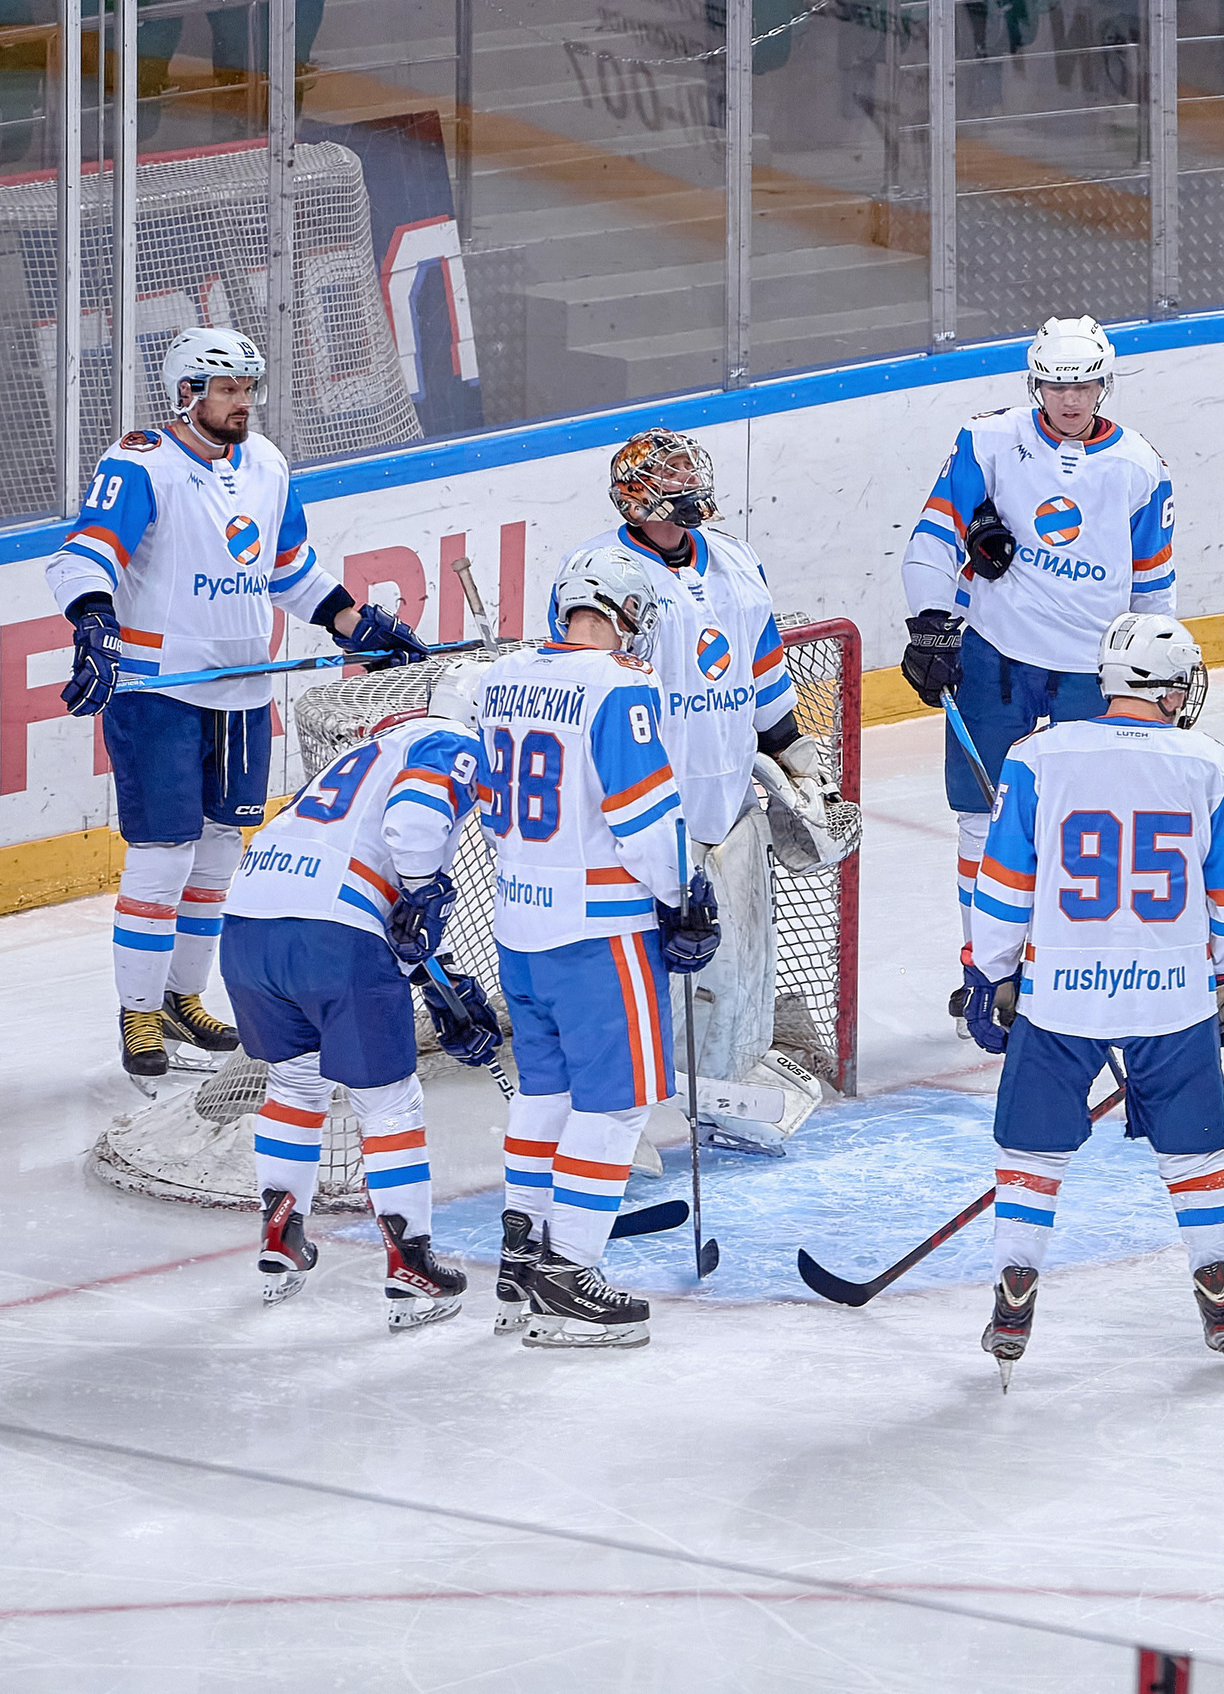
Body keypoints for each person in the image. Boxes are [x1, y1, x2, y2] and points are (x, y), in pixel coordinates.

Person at [43, 326, 429, 1084]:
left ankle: (185, 997)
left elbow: (287, 570)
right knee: (162, 858)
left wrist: (355, 623)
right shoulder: (141, 462)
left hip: (244, 689)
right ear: (186, 394)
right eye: (226, 390)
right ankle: (139, 1013)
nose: (241, 403)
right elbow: (85, 551)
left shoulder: (267, 463)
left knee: (220, 854)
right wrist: (92, 621)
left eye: (248, 389)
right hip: (159, 691)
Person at [962, 614, 1224, 1387]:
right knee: (1197, 1153)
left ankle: (1017, 1277)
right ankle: (1217, 1277)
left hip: (1060, 995)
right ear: (1170, 690)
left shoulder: (1035, 757)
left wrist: (990, 975)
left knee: (1031, 1150)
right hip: (1171, 999)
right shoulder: (1215, 766)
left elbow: (1001, 890)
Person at [553, 428, 849, 1153]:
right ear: (636, 491)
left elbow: (764, 672)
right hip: (644, 806)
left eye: (691, 468)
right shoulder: (603, 570)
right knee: (645, 965)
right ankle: (632, 1107)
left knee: (740, 959)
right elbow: (588, 690)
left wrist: (796, 759)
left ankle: (719, 1094)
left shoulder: (736, 559)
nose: (689, 482)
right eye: (673, 473)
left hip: (729, 796)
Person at [897, 315, 1179, 1029]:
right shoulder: (988, 440)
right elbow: (933, 534)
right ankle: (981, 970)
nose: (1070, 399)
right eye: (1056, 384)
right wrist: (932, 622)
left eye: (1083, 384)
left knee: (1086, 824)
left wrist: (1157, 671)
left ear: (1104, 384)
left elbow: (1154, 586)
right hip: (997, 654)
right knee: (980, 821)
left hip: (1094, 669)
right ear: (1036, 383)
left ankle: (1071, 965)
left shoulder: (1141, 465)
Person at [479, 547, 719, 1349]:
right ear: (625, 613)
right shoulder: (619, 686)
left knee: (544, 1095)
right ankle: (568, 1275)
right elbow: (645, 819)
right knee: (615, 1106)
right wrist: (683, 891)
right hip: (599, 934)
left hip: (518, 926)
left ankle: (522, 1255)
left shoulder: (501, 679)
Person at [219, 664, 498, 1327]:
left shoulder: (363, 754)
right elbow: (413, 826)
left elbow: (367, 886)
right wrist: (428, 891)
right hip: (332, 937)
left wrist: (437, 974)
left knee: (297, 1083)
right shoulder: (450, 740)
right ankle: (411, 1267)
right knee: (389, 1099)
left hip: (248, 928)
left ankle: (281, 1239)